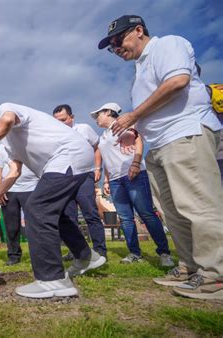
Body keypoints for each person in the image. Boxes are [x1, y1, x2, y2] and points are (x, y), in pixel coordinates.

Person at [98, 15, 222, 299]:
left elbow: (178, 81)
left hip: (184, 134)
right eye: (112, 47)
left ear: (139, 30)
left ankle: (215, 275)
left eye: (118, 41)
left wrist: (134, 116)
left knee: (198, 206)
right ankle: (190, 267)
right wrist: (137, 127)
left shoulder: (167, 45)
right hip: (160, 144)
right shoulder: (141, 68)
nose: (116, 49)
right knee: (173, 211)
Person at [0, 103, 106, 299]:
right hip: (67, 161)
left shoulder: (5, 110)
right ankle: (86, 256)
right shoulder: (10, 143)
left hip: (67, 156)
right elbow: (14, 173)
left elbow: (7, 120)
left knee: (36, 208)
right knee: (54, 213)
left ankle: (52, 281)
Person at [90, 102, 173, 266]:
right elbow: (108, 158)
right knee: (126, 219)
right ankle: (135, 253)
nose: (96, 119)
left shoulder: (124, 123)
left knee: (146, 213)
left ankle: (164, 253)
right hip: (115, 181)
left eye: (98, 114)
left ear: (108, 112)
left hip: (133, 175)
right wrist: (106, 179)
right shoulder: (104, 136)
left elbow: (138, 140)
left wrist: (136, 163)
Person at [52, 104, 107, 259]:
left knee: (90, 214)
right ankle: (76, 251)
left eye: (63, 120)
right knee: (69, 218)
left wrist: (97, 168)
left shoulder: (84, 129)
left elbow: (97, 147)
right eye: (57, 121)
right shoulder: (54, 135)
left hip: (84, 176)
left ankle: (100, 250)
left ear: (72, 117)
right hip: (65, 179)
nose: (60, 124)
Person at [0, 142, 39, 265]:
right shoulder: (0, 148)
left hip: (31, 188)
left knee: (33, 224)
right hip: (9, 191)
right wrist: (0, 190)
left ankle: (37, 253)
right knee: (11, 226)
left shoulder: (26, 143)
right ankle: (13, 255)